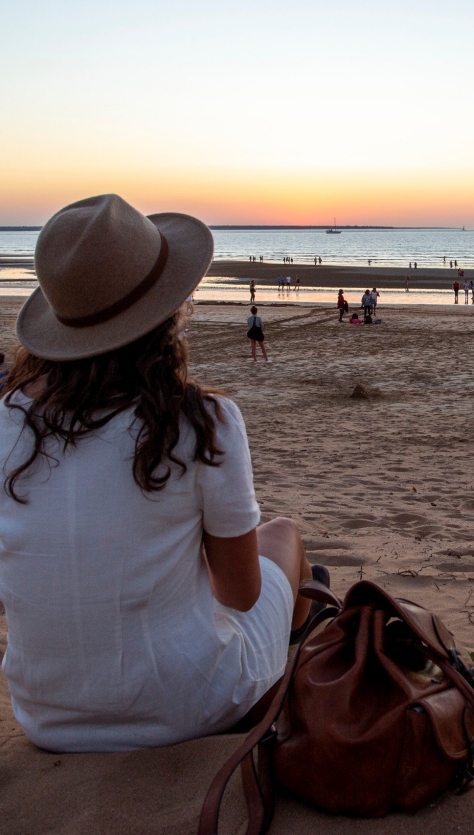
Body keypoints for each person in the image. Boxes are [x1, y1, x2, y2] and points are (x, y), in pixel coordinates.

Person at [0, 194, 324, 754]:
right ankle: (293, 664)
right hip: (189, 706)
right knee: (286, 536)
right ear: (168, 313)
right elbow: (241, 594)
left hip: (47, 716)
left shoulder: (6, 425)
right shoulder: (202, 421)